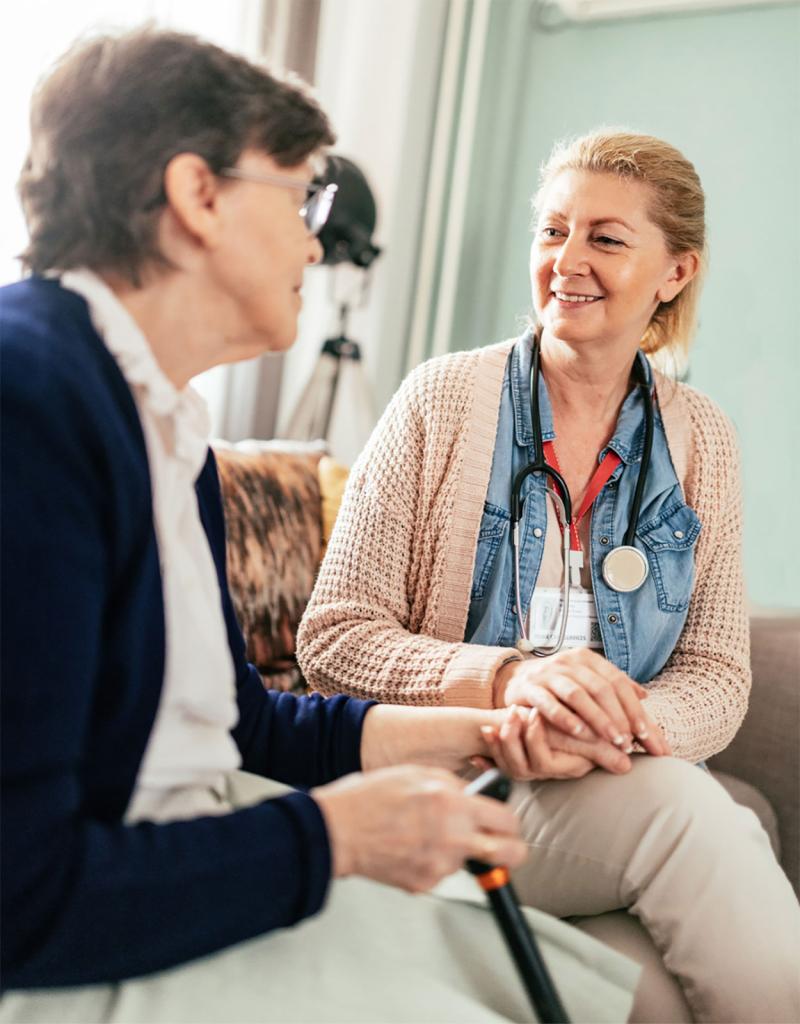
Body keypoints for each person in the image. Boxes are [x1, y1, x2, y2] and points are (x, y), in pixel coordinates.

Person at [0, 29, 641, 1023]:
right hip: (93, 951)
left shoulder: (164, 426)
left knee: (614, 990)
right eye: (301, 197)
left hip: (201, 861)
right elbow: (18, 896)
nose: (313, 240)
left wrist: (488, 729)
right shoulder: (29, 400)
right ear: (197, 196)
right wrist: (332, 840)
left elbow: (245, 728)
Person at [297, 129, 800, 1022]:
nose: (567, 260)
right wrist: (511, 687)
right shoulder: (442, 400)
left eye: (607, 238)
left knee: (646, 991)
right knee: (690, 816)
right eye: (553, 231)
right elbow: (334, 638)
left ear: (674, 273)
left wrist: (609, 729)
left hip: (611, 778)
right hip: (457, 773)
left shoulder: (701, 438)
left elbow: (719, 675)